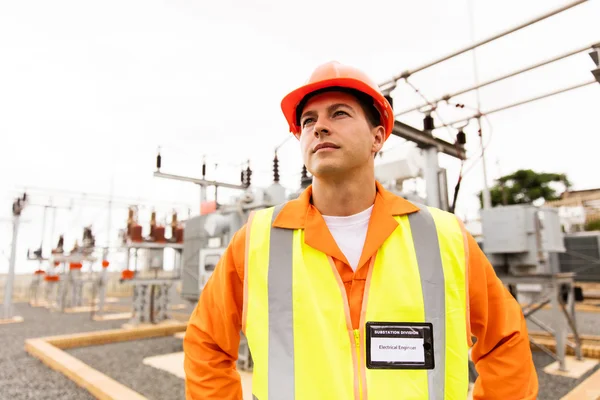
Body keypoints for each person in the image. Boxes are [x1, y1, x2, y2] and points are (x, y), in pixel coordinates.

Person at [183, 61, 538, 399]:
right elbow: (206, 343)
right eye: (308, 120)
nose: (319, 127)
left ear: (378, 136)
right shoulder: (257, 239)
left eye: (339, 113)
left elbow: (504, 339)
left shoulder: (444, 236)